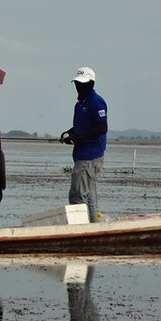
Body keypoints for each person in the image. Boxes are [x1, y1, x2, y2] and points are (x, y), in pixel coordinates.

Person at [59, 67, 108, 222]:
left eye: (83, 83)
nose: (79, 86)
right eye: (77, 83)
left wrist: (78, 137)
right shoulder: (80, 104)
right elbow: (81, 128)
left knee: (77, 196)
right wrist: (69, 133)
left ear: (91, 83)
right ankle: (93, 227)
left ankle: (81, 229)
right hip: (81, 155)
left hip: (90, 157)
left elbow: (101, 128)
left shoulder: (96, 102)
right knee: (89, 196)